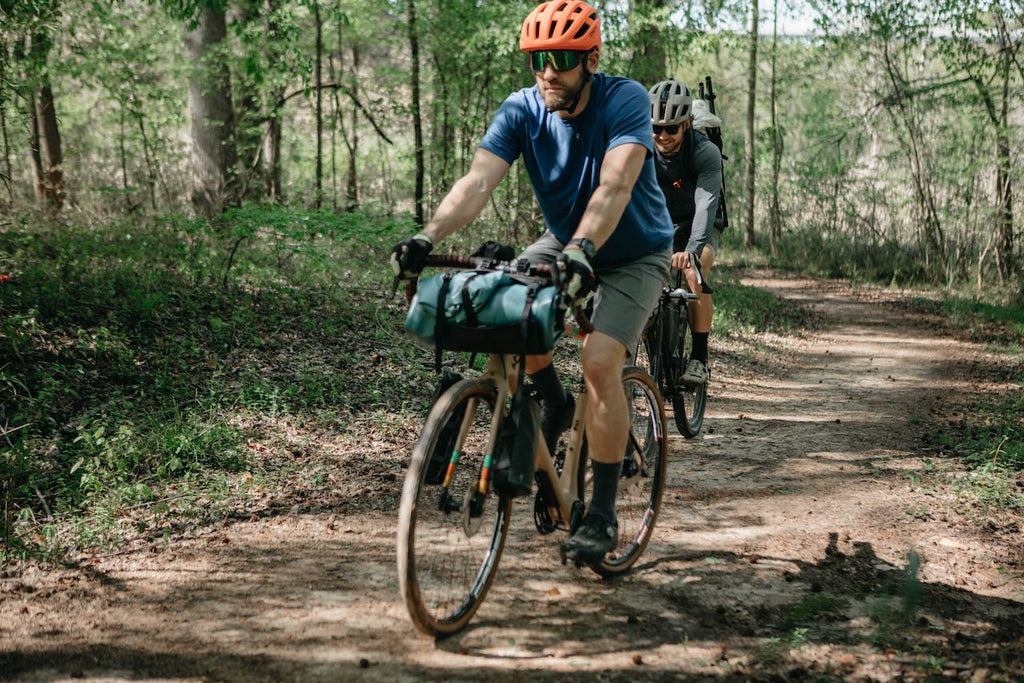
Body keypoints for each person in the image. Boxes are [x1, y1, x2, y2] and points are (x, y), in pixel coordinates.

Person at [391, 1, 672, 563]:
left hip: (635, 250)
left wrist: (583, 251)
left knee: (599, 362)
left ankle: (601, 515)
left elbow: (615, 187)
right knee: (508, 314)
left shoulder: (626, 100)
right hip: (565, 241)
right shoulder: (521, 110)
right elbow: (476, 183)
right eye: (538, 59)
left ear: (590, 59)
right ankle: (553, 401)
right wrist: (426, 236)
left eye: (562, 59)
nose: (548, 71)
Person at [649, 79, 724, 387]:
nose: (662, 136)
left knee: (696, 271)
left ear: (687, 124)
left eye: (671, 129)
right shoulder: (640, 150)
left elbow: (706, 207)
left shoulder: (704, 152)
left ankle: (699, 359)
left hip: (701, 224)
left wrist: (692, 251)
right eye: (656, 128)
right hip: (662, 224)